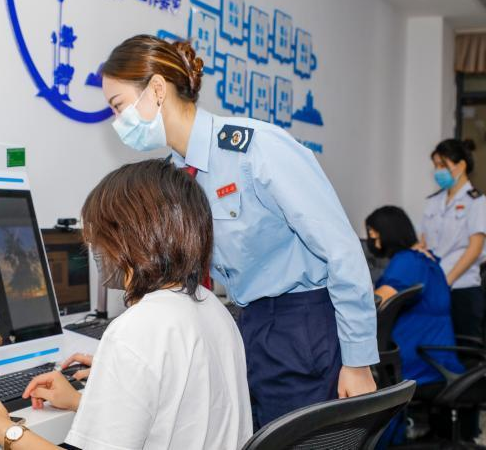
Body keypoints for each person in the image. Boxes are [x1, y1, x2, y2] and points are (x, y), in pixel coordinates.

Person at [100, 35, 378, 428]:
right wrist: (124, 355)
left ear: (157, 89)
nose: (118, 122)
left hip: (303, 326)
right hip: (249, 324)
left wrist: (358, 360)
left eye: (118, 106)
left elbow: (342, 251)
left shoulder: (255, 149)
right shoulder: (174, 176)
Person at [0, 160, 253, 449]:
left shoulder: (138, 328)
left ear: (126, 238)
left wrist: (3, 430)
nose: (94, 247)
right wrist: (86, 401)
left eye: (98, 235)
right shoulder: (210, 306)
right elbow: (181, 416)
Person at [366, 205, 466, 447]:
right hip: (438, 359)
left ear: (386, 232)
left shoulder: (407, 261)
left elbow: (377, 302)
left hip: (419, 365)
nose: (372, 240)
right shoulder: (426, 260)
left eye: (373, 233)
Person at [420, 139, 486, 340]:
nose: (438, 171)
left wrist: (447, 280)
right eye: (436, 166)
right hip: (432, 286)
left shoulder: (477, 202)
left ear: (461, 165)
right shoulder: (433, 201)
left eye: (442, 165)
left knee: (464, 349)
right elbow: (423, 242)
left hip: (462, 288)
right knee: (434, 346)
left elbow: (475, 249)